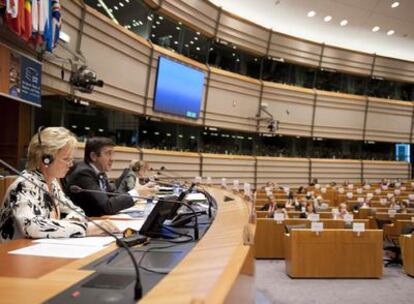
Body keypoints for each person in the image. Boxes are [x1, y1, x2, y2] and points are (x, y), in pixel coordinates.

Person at [0, 127, 118, 242]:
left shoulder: (52, 183)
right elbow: (32, 226)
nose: (71, 164)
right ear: (46, 159)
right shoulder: (23, 185)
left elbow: (76, 211)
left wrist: (70, 223)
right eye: (66, 159)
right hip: (13, 255)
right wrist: (84, 229)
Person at [65, 137, 136, 216]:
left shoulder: (100, 171)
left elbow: (113, 195)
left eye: (112, 153)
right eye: (108, 153)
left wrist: (136, 197)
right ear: (93, 156)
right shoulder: (83, 174)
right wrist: (136, 193)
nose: (112, 159)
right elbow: (107, 207)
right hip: (87, 222)